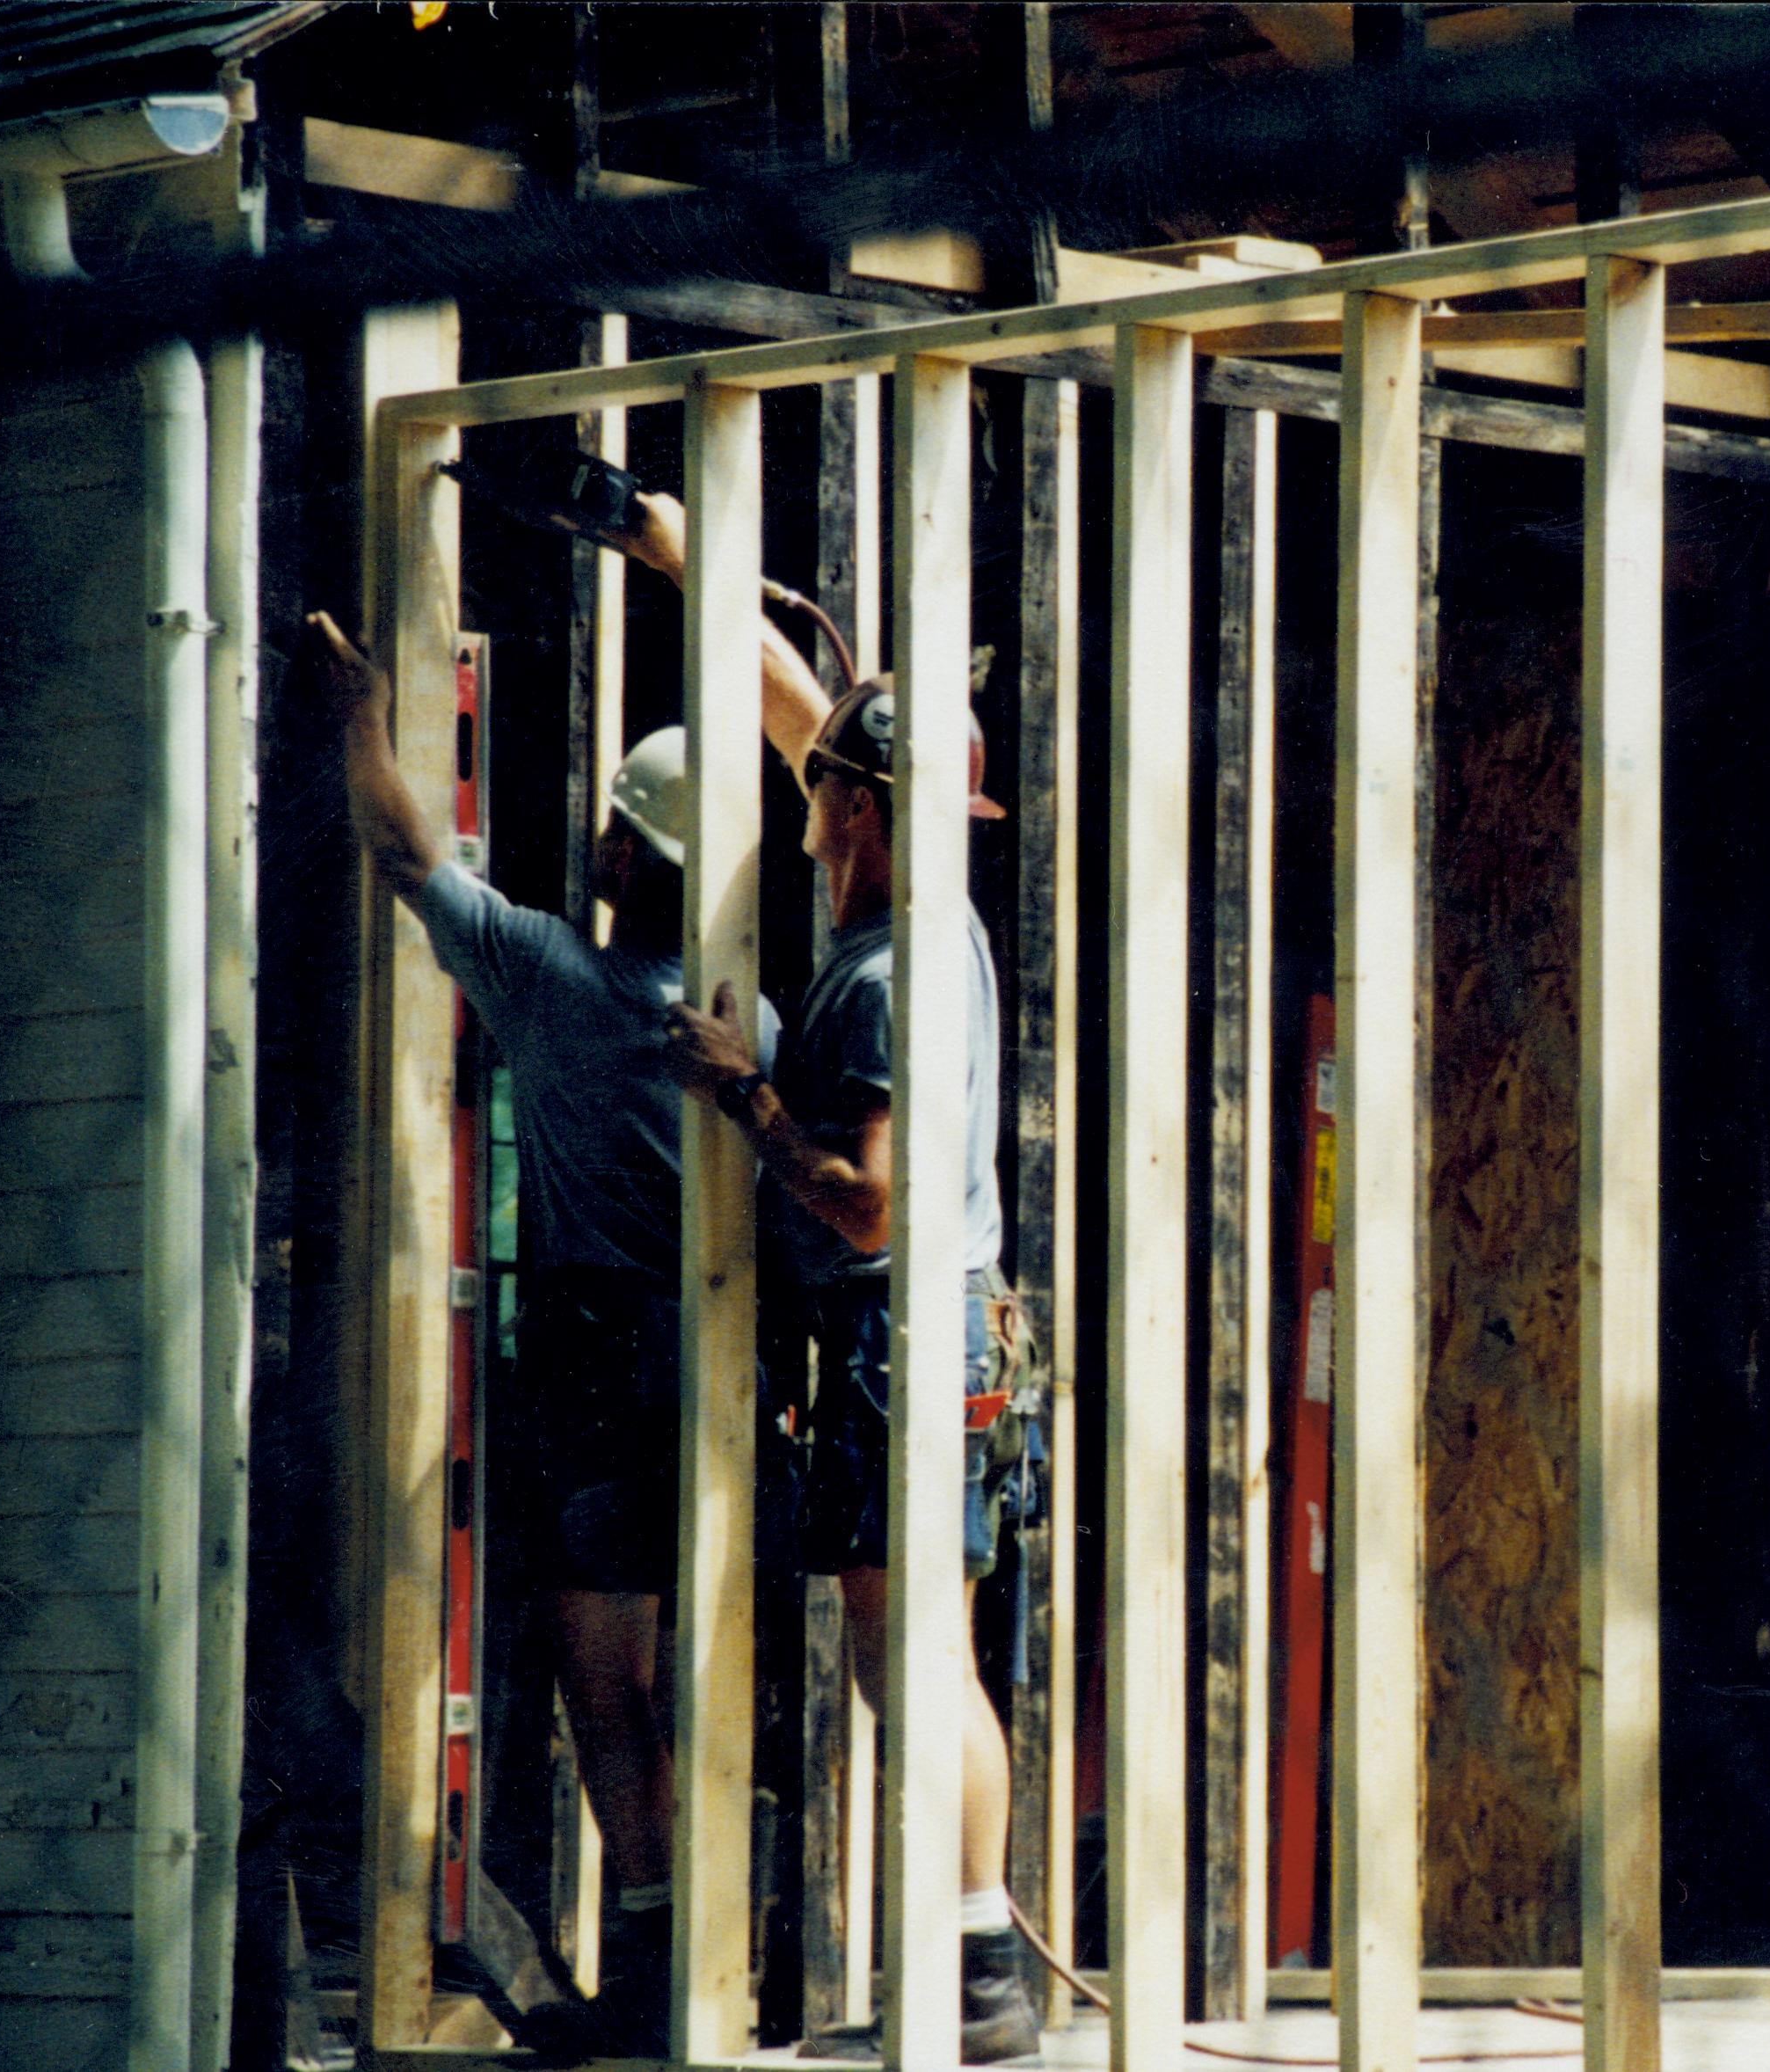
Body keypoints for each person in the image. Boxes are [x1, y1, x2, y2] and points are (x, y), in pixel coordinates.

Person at [307, 608, 776, 2058]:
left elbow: (401, 851)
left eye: (616, 832)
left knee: (604, 1677)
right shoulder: (740, 1017)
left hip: (591, 1362)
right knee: (702, 1670)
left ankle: (649, 1964)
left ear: (634, 858)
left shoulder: (556, 982)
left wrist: (367, 718)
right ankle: (706, 1962)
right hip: (718, 1365)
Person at [620, 499, 1041, 2064]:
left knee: (906, 1656)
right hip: (958, 1336)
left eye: (822, 788)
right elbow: (830, 724)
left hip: (901, 1332)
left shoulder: (875, 981)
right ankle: (975, 1967)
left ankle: (972, 1979)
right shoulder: (939, 920)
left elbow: (864, 1204)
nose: (801, 789)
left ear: (858, 815)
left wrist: (744, 1091)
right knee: (924, 1650)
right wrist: (688, 567)